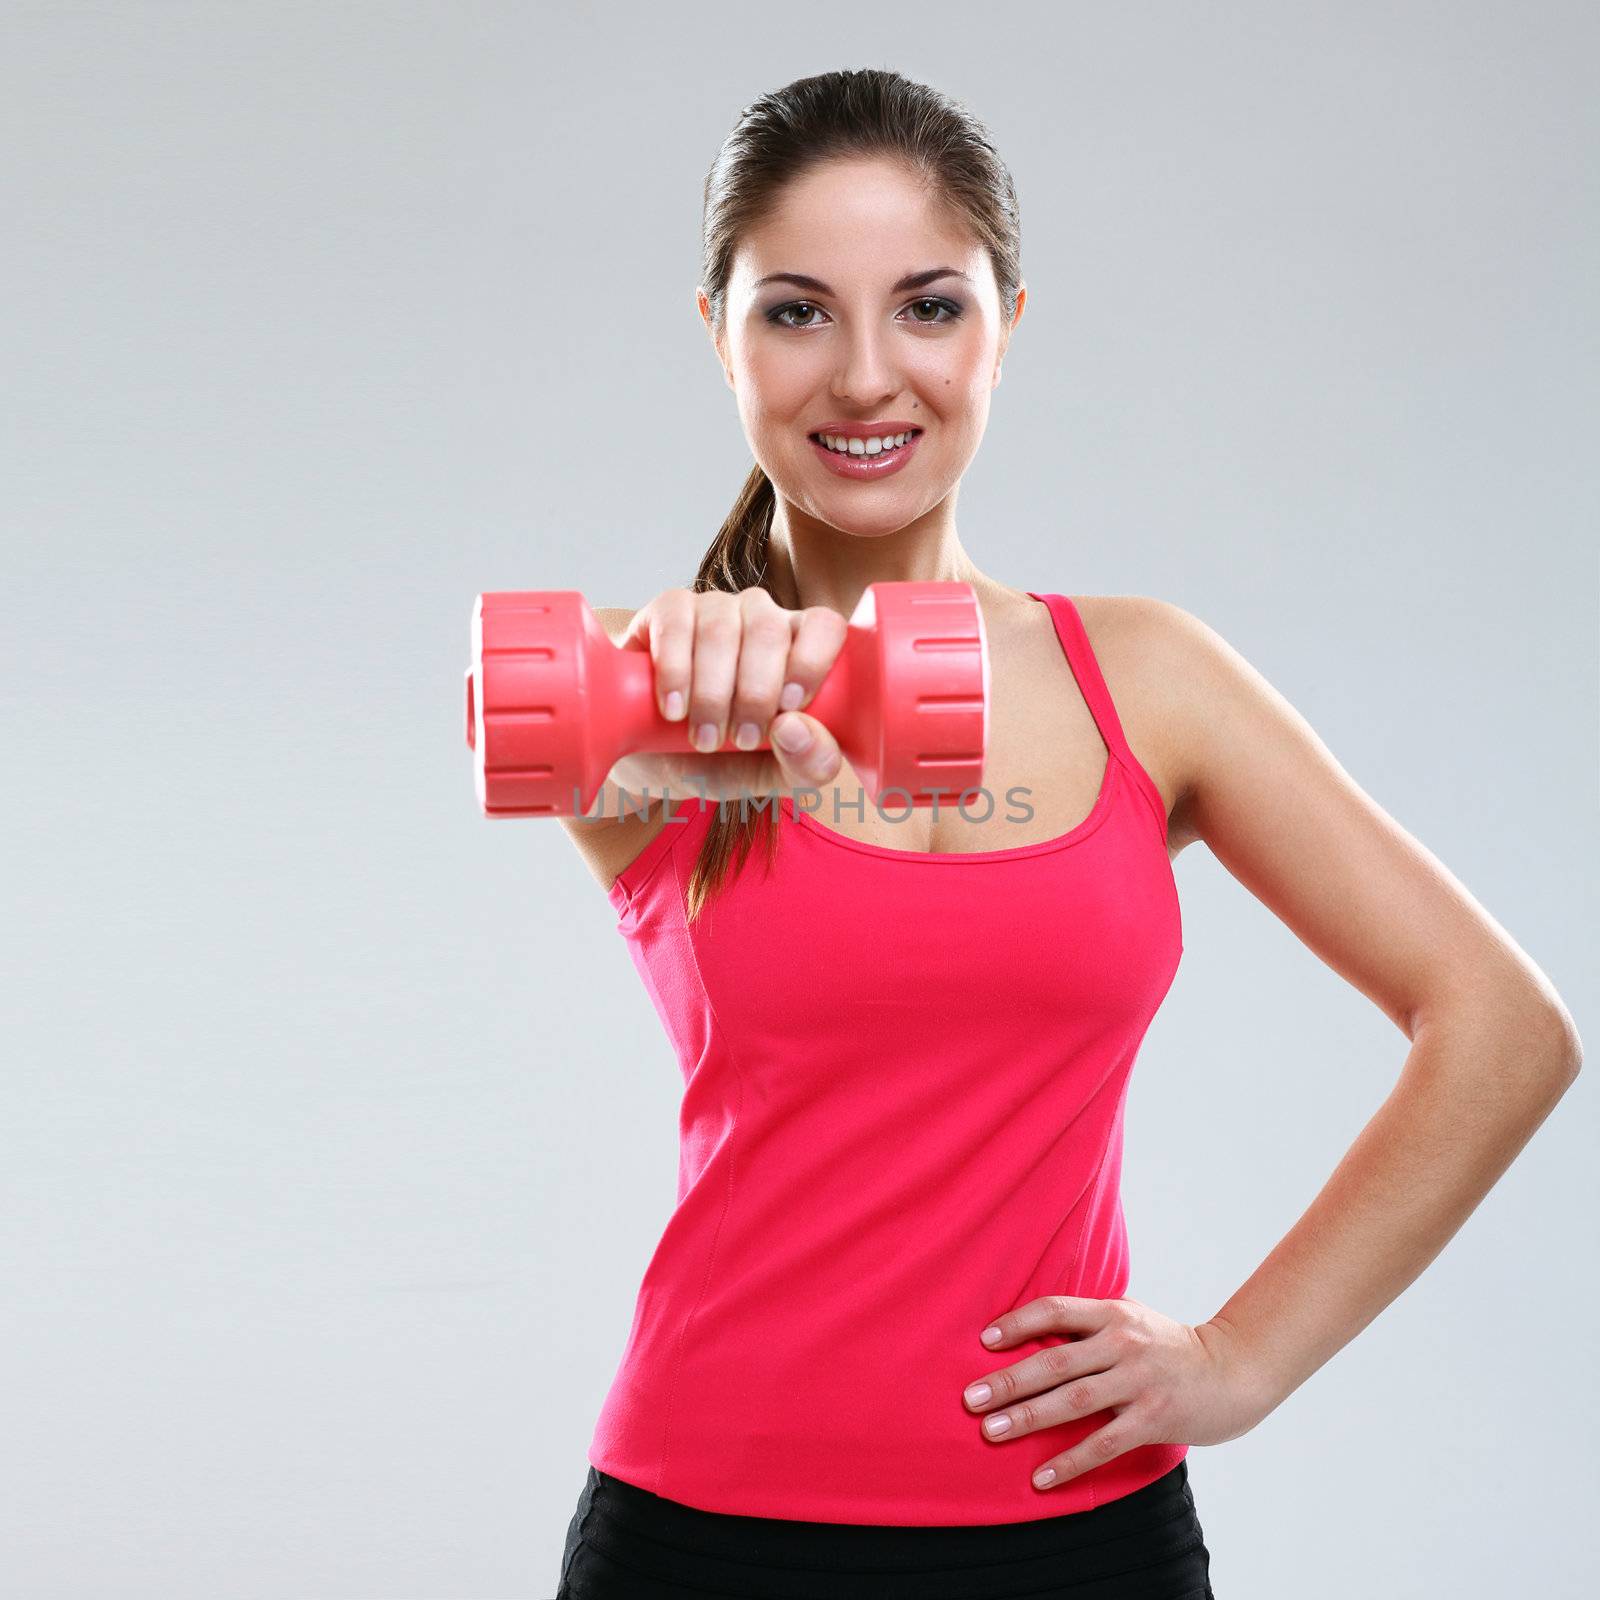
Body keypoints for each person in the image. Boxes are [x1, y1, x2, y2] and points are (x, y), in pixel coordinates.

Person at [550, 67, 1582, 1600]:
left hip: (1084, 1535)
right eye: (794, 311)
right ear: (716, 332)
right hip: (703, 1533)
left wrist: (1239, 1360)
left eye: (927, 307)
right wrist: (669, 695)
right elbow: (486, 708)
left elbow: (1503, 1029)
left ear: (1006, 326)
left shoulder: (1149, 680)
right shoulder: (656, 688)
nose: (864, 376)